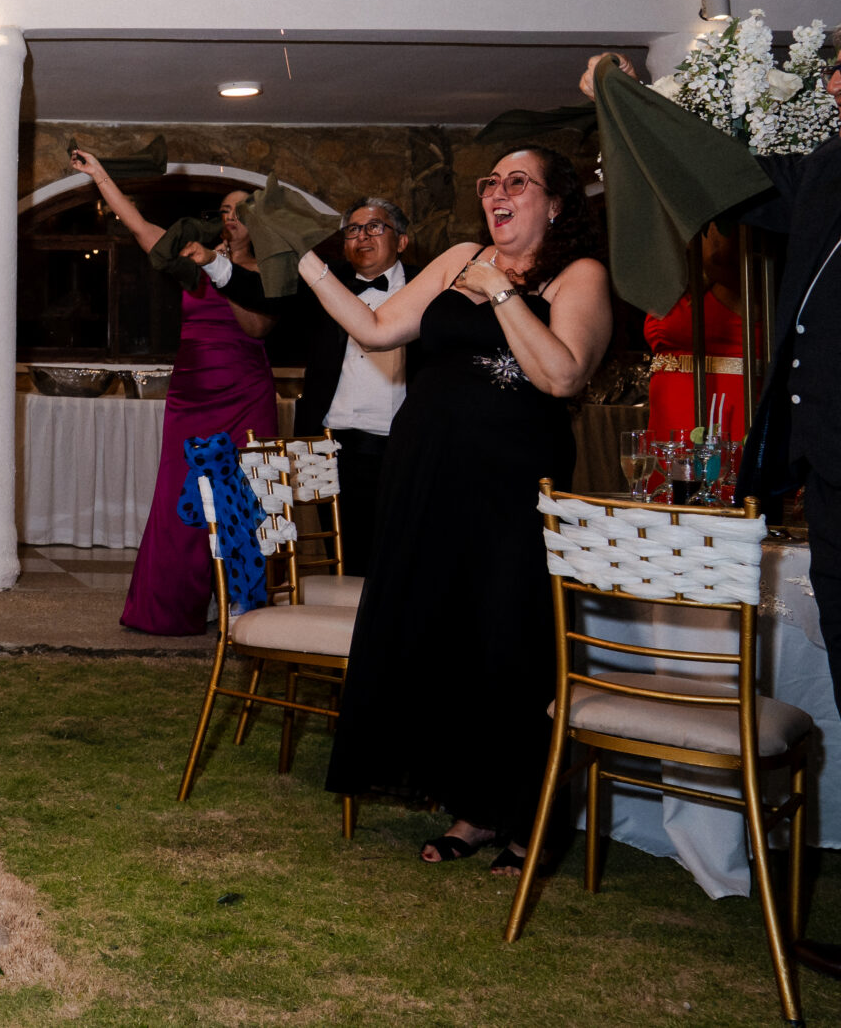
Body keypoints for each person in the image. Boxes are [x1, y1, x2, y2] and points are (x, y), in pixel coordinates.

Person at [577, 49, 841, 970]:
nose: (834, 86)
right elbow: (725, 177)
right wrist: (628, 103)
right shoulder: (826, 169)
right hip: (828, 470)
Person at [296, 146, 611, 877]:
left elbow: (562, 374)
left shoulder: (579, 275)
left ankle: (530, 820)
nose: (498, 192)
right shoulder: (459, 257)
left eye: (518, 182)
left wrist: (501, 291)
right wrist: (305, 264)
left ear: (555, 202)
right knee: (445, 635)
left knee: (507, 639)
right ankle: (471, 808)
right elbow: (376, 329)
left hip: (509, 486)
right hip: (426, 476)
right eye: (491, 181)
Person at [71, 154, 283, 636]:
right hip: (191, 393)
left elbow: (257, 327)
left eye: (242, 210)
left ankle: (240, 604)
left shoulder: (269, 269)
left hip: (246, 394)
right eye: (225, 210)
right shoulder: (190, 256)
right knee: (178, 496)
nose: (231, 217)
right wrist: (100, 176)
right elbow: (140, 226)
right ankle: (173, 606)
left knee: (243, 497)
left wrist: (223, 270)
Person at [293, 198, 416, 575]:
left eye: (375, 227)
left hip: (402, 444)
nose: (362, 236)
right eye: (353, 230)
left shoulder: (428, 288)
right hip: (330, 442)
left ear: (402, 241)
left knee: (402, 555)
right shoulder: (322, 286)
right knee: (342, 557)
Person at [641, 224, 748, 444]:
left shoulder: (736, 277)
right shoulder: (680, 280)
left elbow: (717, 255)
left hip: (721, 410)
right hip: (668, 419)